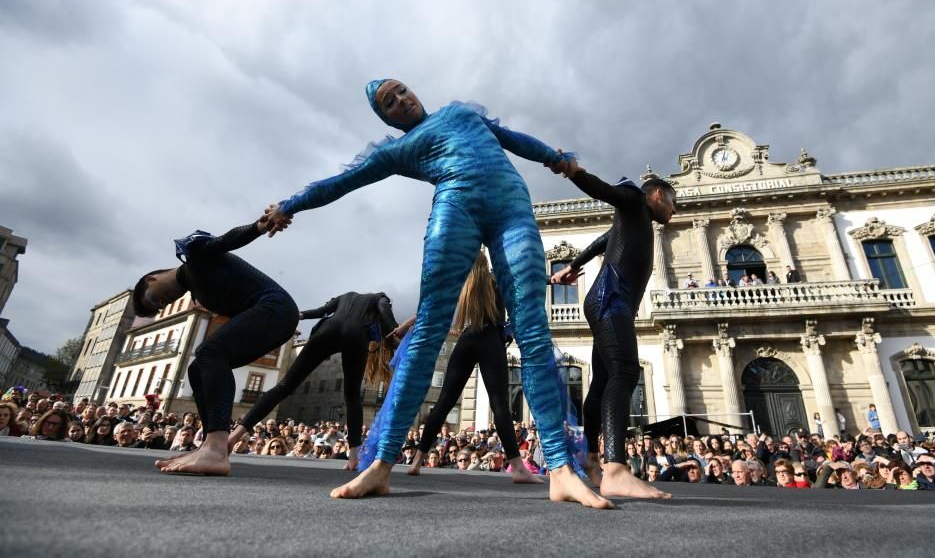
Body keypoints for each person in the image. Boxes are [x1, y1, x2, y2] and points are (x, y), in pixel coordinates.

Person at [261, 79, 609, 508]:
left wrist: (558, 161)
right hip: (456, 207)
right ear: (386, 117)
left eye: (401, 90)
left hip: (513, 211)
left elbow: (514, 140)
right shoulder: (397, 151)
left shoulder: (462, 113)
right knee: (428, 329)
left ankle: (559, 469)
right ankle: (381, 466)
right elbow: (342, 182)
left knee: (533, 330)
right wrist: (288, 205)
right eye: (389, 102)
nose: (401, 101)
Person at [132, 218, 299, 476]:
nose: (162, 302)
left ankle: (216, 448)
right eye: (159, 307)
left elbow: (226, 241)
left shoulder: (194, 257)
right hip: (274, 317)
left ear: (151, 278)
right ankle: (210, 445)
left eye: (154, 297)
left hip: (276, 307)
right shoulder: (199, 293)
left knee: (209, 353)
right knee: (198, 368)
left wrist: (260, 226)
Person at [550, 166, 676, 499]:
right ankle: (616, 469)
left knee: (604, 381)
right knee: (624, 372)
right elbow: (605, 191)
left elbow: (600, 242)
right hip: (612, 300)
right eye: (673, 202)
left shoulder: (634, 223)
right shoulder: (635, 199)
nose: (675, 211)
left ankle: (591, 459)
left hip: (608, 303)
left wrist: (572, 267)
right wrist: (574, 171)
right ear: (659, 194)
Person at [408, 252, 543, 484]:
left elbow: (431, 307)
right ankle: (518, 468)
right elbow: (528, 280)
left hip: (467, 339)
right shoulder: (496, 279)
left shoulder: (463, 282)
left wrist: (405, 325)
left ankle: (417, 461)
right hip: (492, 340)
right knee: (499, 405)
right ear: (486, 263)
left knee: (443, 402)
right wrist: (553, 278)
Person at [229, 291, 401, 470]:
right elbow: (383, 310)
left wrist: (301, 315)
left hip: (328, 329)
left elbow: (322, 311)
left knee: (284, 385)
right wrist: (396, 329)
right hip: (356, 335)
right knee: (352, 396)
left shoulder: (346, 296)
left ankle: (235, 435)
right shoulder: (381, 299)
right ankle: (354, 458)